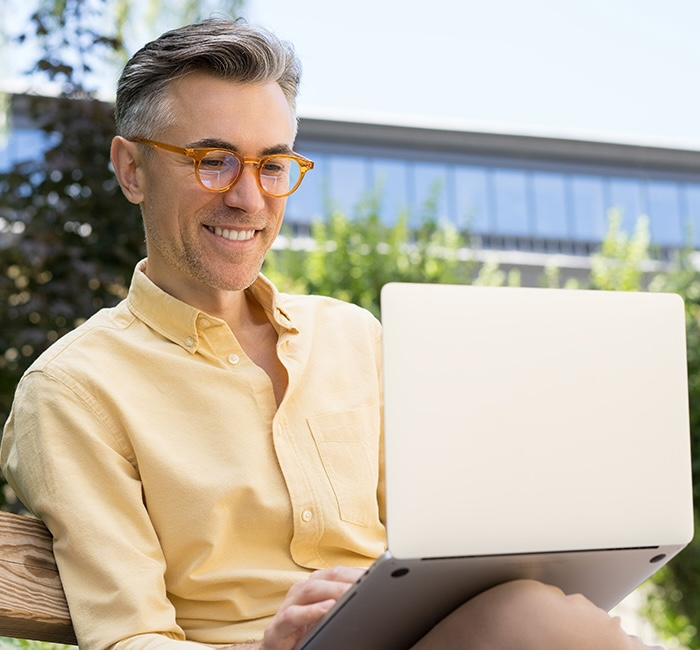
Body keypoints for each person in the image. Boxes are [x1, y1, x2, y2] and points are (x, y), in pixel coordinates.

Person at [0, 18, 662, 650]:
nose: (249, 199)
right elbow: (127, 639)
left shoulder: (354, 337)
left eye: (272, 165)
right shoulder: (74, 391)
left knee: (536, 610)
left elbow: (446, 548)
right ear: (132, 168)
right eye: (213, 161)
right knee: (536, 622)